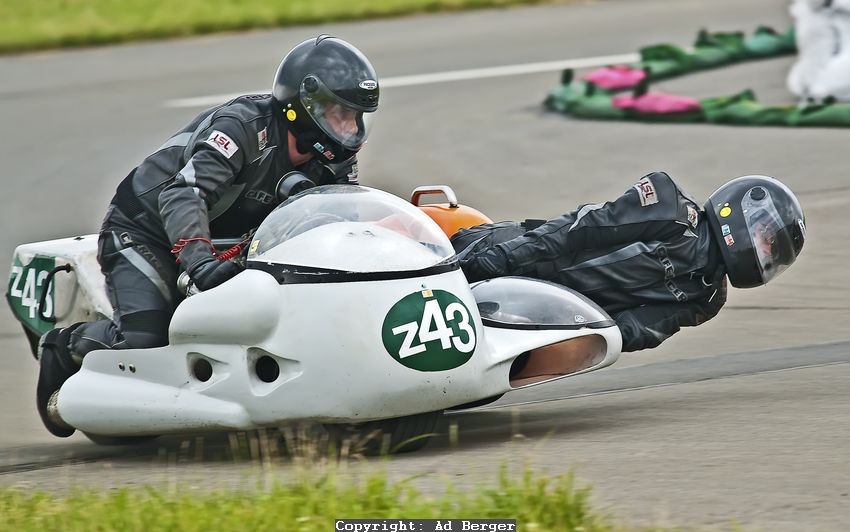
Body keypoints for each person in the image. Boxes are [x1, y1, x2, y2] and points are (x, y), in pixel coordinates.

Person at [36, 34, 380, 437]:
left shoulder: (334, 160)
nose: (349, 128)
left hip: (237, 240)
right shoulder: (242, 129)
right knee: (147, 338)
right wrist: (198, 261)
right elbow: (184, 193)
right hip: (147, 230)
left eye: (355, 117)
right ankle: (66, 346)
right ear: (301, 107)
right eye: (339, 114)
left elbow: (338, 223)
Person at [451, 172, 806, 353]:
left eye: (772, 251)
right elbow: (578, 229)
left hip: (530, 312)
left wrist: (573, 342)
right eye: (766, 238)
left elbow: (638, 328)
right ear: (738, 211)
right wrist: (498, 260)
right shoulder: (670, 206)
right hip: (505, 252)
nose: (765, 252)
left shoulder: (708, 298)